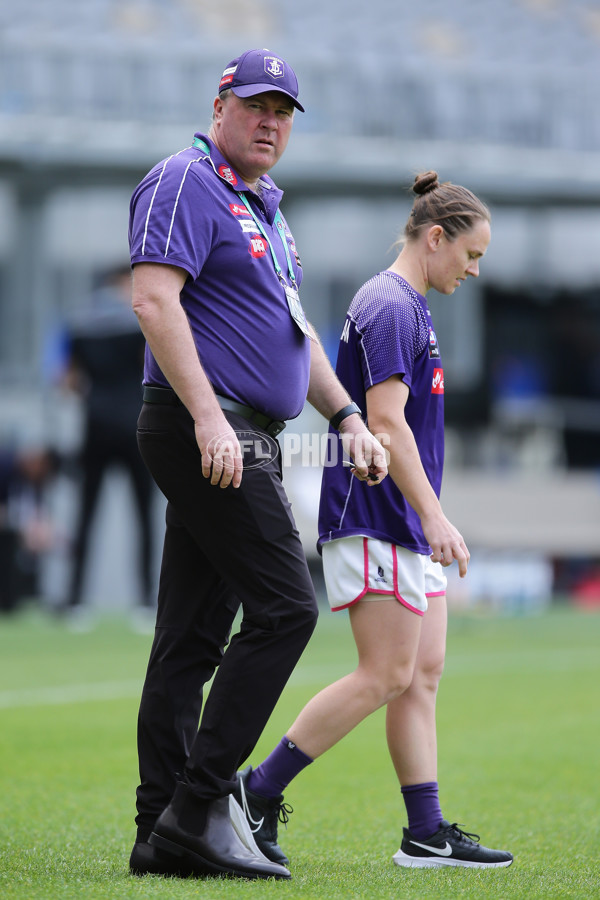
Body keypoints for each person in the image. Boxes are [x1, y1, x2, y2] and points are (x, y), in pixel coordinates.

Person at [127, 48, 387, 881]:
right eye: (257, 105)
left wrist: (347, 415)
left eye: (284, 112)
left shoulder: (265, 209)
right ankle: (203, 805)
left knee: (191, 636)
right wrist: (209, 419)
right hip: (212, 425)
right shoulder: (184, 179)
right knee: (286, 607)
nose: (271, 122)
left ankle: (159, 831)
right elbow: (153, 299)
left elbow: (294, 338)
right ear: (221, 103)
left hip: (246, 427)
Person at [235, 172, 513, 870]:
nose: (474, 270)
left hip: (403, 524)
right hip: (378, 516)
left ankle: (425, 831)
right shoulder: (389, 304)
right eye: (470, 255)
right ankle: (254, 792)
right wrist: (436, 517)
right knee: (384, 673)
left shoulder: (410, 306)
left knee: (420, 675)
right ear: (435, 237)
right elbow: (384, 423)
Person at [60, 265, 156, 631]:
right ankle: (145, 601)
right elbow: (152, 366)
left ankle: (75, 601)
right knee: (143, 515)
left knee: (85, 515)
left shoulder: (80, 323)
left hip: (95, 426)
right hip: (136, 426)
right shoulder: (138, 321)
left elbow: (68, 381)